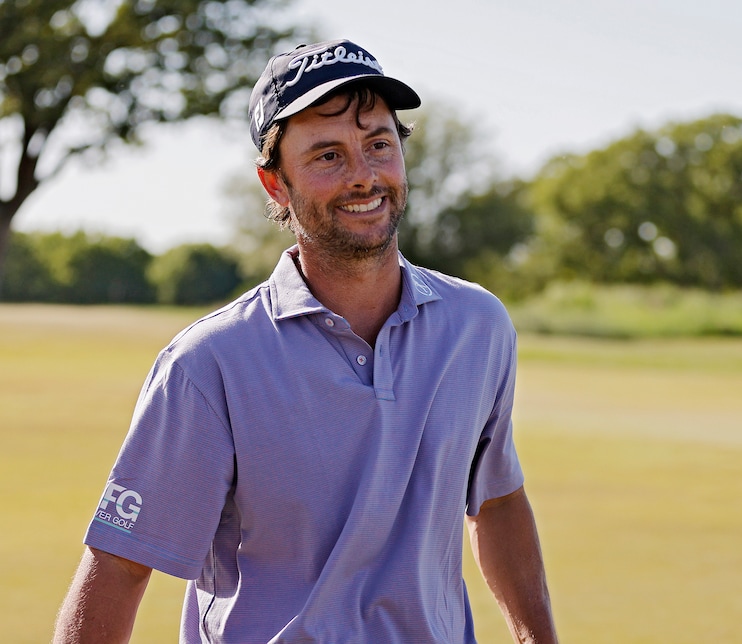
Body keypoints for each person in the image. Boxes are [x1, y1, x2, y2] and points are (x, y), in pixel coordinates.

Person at [53, 39, 557, 643]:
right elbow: (118, 567)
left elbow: (497, 504)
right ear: (275, 184)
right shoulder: (210, 363)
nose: (364, 176)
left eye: (378, 144)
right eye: (327, 156)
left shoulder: (478, 326)